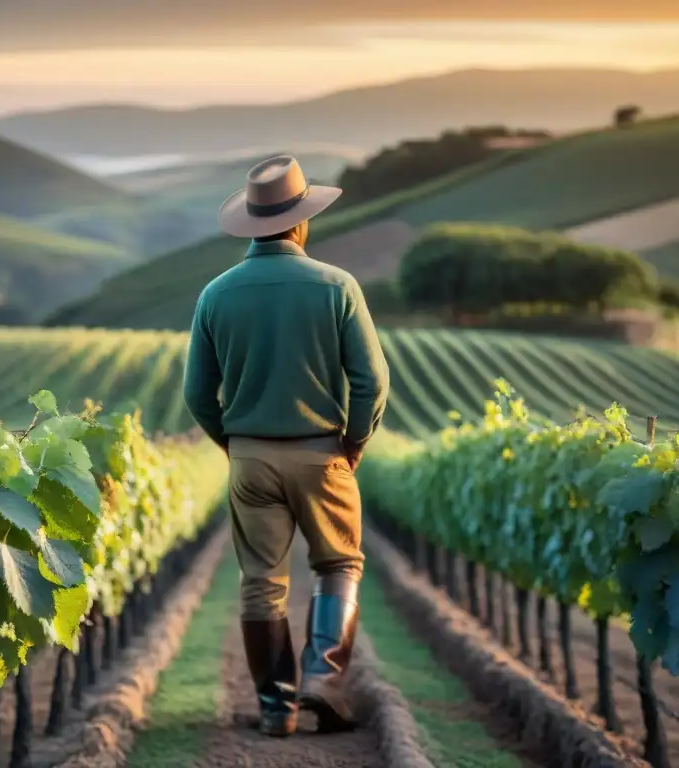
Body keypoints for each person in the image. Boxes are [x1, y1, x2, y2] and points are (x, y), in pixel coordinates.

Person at [182, 155, 390, 738]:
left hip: (249, 454)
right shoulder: (337, 287)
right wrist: (353, 441)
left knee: (261, 581)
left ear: (251, 223)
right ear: (301, 223)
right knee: (339, 563)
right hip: (323, 452)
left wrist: (233, 443)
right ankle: (323, 681)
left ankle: (277, 708)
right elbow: (372, 380)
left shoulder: (216, 294)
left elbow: (197, 391)